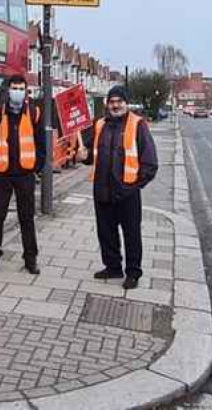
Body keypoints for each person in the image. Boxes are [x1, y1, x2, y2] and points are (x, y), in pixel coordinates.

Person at [76, 85, 159, 289]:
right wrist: (82, 156)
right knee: (106, 232)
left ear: (126, 103)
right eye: (112, 101)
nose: (115, 105)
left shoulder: (138, 124)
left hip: (128, 192)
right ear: (107, 104)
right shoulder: (100, 124)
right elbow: (89, 154)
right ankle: (113, 267)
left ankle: (133, 273)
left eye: (119, 101)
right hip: (102, 189)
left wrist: (135, 186)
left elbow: (150, 162)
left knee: (132, 234)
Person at [0, 75, 46, 274]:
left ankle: (30, 258)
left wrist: (36, 167)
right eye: (14, 87)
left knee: (27, 218)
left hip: (25, 174)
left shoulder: (34, 113)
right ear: (8, 90)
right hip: (1, 173)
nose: (17, 91)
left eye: (21, 88)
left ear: (26, 91)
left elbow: (41, 144)